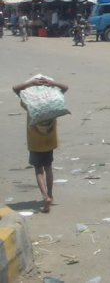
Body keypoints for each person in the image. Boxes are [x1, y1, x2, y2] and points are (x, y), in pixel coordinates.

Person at [13, 75, 69, 213]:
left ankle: (45, 196)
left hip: (35, 141)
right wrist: (51, 82)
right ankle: (50, 194)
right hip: (49, 140)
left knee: (38, 170)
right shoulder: (52, 101)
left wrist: (31, 82)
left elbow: (15, 89)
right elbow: (65, 88)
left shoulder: (30, 101)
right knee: (48, 168)